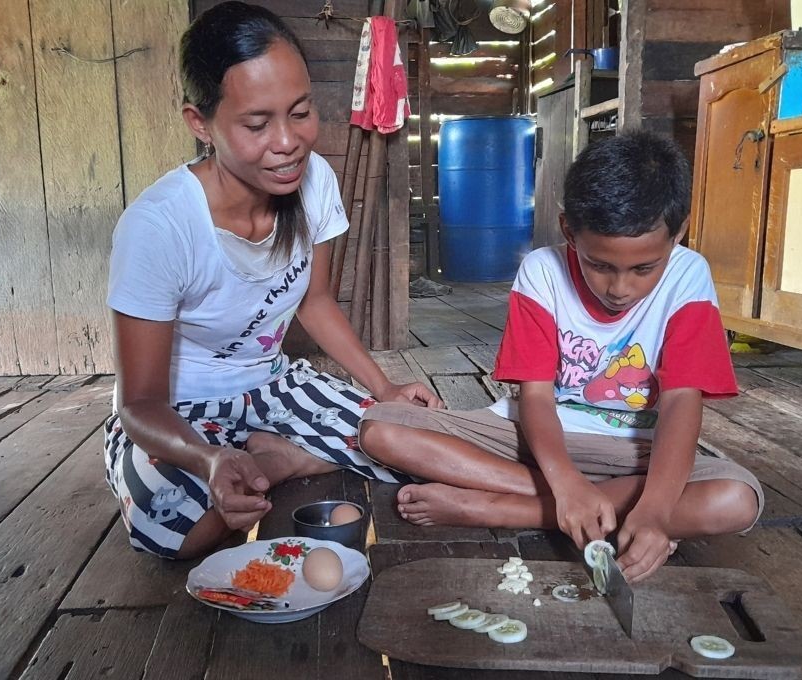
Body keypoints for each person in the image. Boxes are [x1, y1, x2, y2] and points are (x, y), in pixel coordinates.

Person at [104, 1, 440, 560]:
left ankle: (278, 459)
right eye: (257, 125)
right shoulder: (158, 226)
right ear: (200, 123)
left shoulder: (315, 181)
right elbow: (139, 402)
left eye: (301, 112)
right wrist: (209, 458)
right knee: (173, 532)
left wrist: (384, 390)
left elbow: (316, 301)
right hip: (178, 410)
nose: (288, 142)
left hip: (273, 387)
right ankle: (285, 455)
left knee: (410, 438)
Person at [359, 132, 763, 583]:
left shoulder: (689, 276)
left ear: (679, 232)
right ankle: (575, 502)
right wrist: (566, 481)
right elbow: (535, 397)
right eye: (600, 265)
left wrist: (654, 510)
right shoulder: (542, 271)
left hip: (637, 455)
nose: (620, 288)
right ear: (569, 230)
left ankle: (504, 508)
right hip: (532, 440)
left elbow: (681, 401)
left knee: (735, 499)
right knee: (382, 430)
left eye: (643, 269)